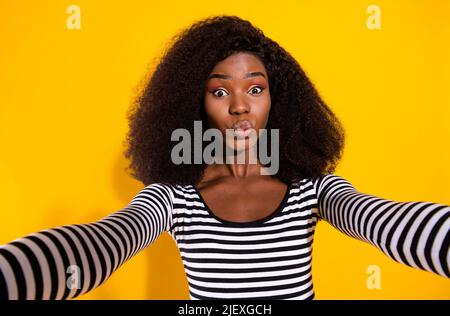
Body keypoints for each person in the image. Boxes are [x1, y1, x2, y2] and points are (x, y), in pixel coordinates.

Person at [0, 15, 449, 300]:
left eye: (255, 88)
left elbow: (382, 220)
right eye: (220, 91)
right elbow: (105, 241)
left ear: (278, 101)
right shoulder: (173, 199)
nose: (240, 106)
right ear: (194, 104)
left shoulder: (314, 190)